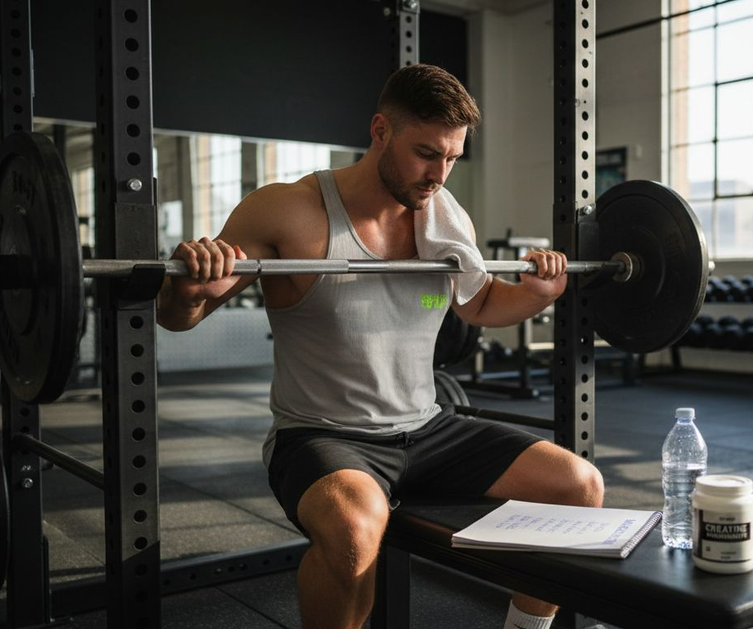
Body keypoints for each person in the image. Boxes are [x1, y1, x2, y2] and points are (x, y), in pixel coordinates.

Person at [156, 64, 604, 629]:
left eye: (452, 158)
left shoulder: (444, 216)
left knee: (578, 485)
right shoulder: (287, 209)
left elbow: (482, 304)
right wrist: (186, 286)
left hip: (427, 428)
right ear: (379, 131)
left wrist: (539, 295)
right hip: (323, 435)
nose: (439, 173)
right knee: (353, 531)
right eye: (426, 153)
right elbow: (181, 317)